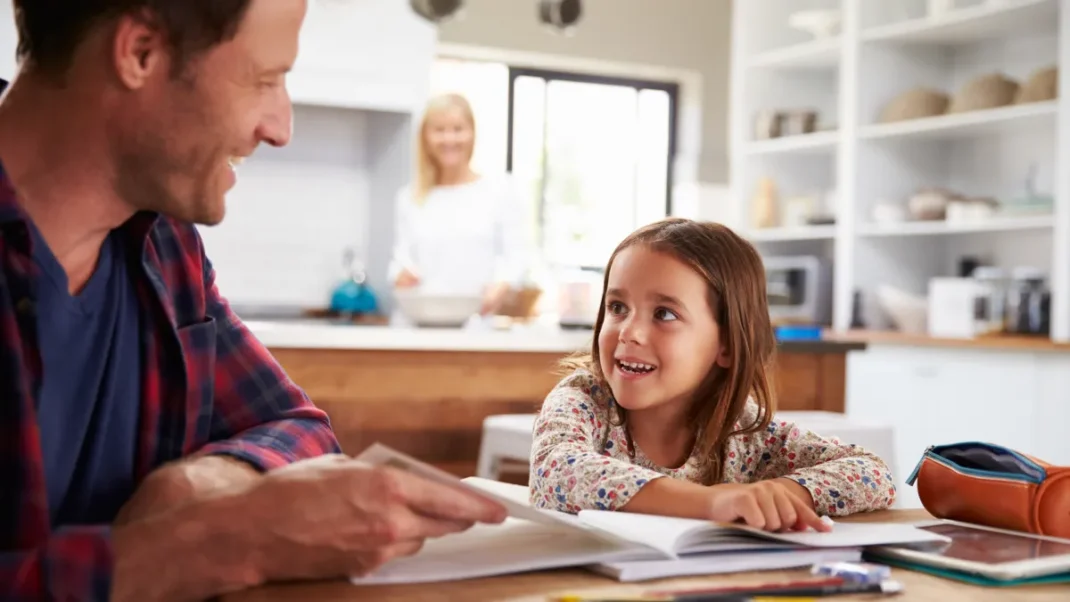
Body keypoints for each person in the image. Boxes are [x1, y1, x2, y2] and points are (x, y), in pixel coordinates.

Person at [0, 1, 506, 600]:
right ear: (140, 53)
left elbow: (295, 426)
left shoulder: (165, 244)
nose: (280, 127)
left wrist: (203, 483)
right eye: (265, 80)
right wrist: (209, 543)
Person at [528, 218, 896, 531]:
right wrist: (711, 503)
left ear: (727, 346)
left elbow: (870, 474)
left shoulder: (743, 428)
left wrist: (777, 496)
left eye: (664, 314)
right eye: (618, 307)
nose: (628, 332)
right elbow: (557, 473)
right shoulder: (582, 401)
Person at [389, 92, 532, 315]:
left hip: (477, 325)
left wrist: (500, 288)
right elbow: (400, 261)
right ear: (425, 136)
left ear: (472, 134)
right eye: (439, 130)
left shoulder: (500, 191)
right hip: (420, 325)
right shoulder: (409, 197)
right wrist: (400, 276)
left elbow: (517, 259)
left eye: (458, 129)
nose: (449, 139)